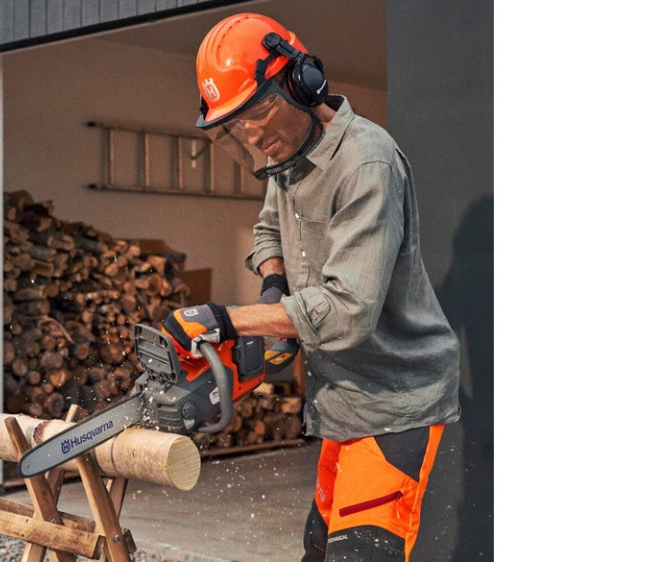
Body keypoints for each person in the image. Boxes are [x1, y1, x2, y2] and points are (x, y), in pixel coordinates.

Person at [161, 13, 462, 562]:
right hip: (338, 397)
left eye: (256, 112)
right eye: (238, 123)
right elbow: (268, 229)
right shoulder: (287, 157)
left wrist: (228, 320)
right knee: (319, 549)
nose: (253, 134)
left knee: (363, 553)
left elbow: (349, 309)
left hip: (392, 399)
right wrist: (274, 287)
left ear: (301, 84)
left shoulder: (366, 162)